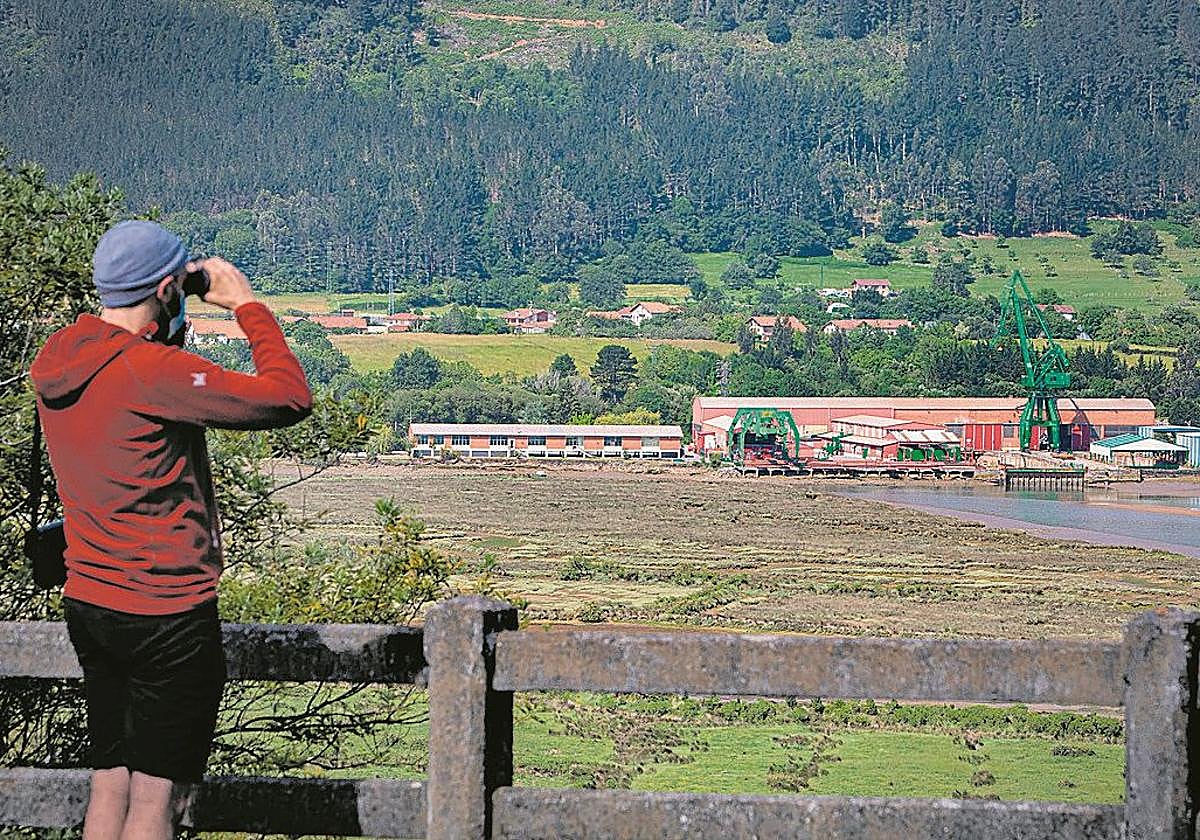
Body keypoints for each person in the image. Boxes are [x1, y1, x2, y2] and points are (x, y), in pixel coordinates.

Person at [29, 220, 312, 839]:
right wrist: (247, 306)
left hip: (91, 601)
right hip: (166, 612)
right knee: (160, 801)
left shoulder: (61, 358)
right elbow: (289, 396)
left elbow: (136, 380)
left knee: (111, 781)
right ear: (165, 288)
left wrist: (165, 314)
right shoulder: (149, 373)